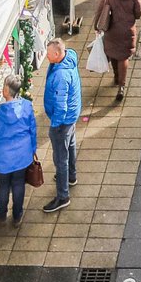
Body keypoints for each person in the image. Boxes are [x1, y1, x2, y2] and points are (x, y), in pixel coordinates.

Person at [0, 74, 37, 226]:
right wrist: (32, 149)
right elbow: (33, 130)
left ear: (6, 90)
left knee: (3, 186)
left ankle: (1, 215)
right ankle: (17, 216)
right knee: (19, 184)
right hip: (22, 156)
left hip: (3, 160)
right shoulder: (27, 107)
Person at [42, 39, 80, 214]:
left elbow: (61, 105)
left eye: (48, 53)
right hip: (72, 116)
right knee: (70, 145)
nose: (46, 55)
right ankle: (71, 177)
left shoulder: (61, 76)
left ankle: (63, 196)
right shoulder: (68, 59)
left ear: (57, 54)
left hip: (62, 121)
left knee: (60, 158)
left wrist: (55, 126)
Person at [95, 0, 141, 103]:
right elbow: (138, 13)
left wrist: (96, 26)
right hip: (127, 31)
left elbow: (100, 9)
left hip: (112, 29)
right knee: (123, 57)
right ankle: (121, 86)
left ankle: (116, 77)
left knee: (113, 53)